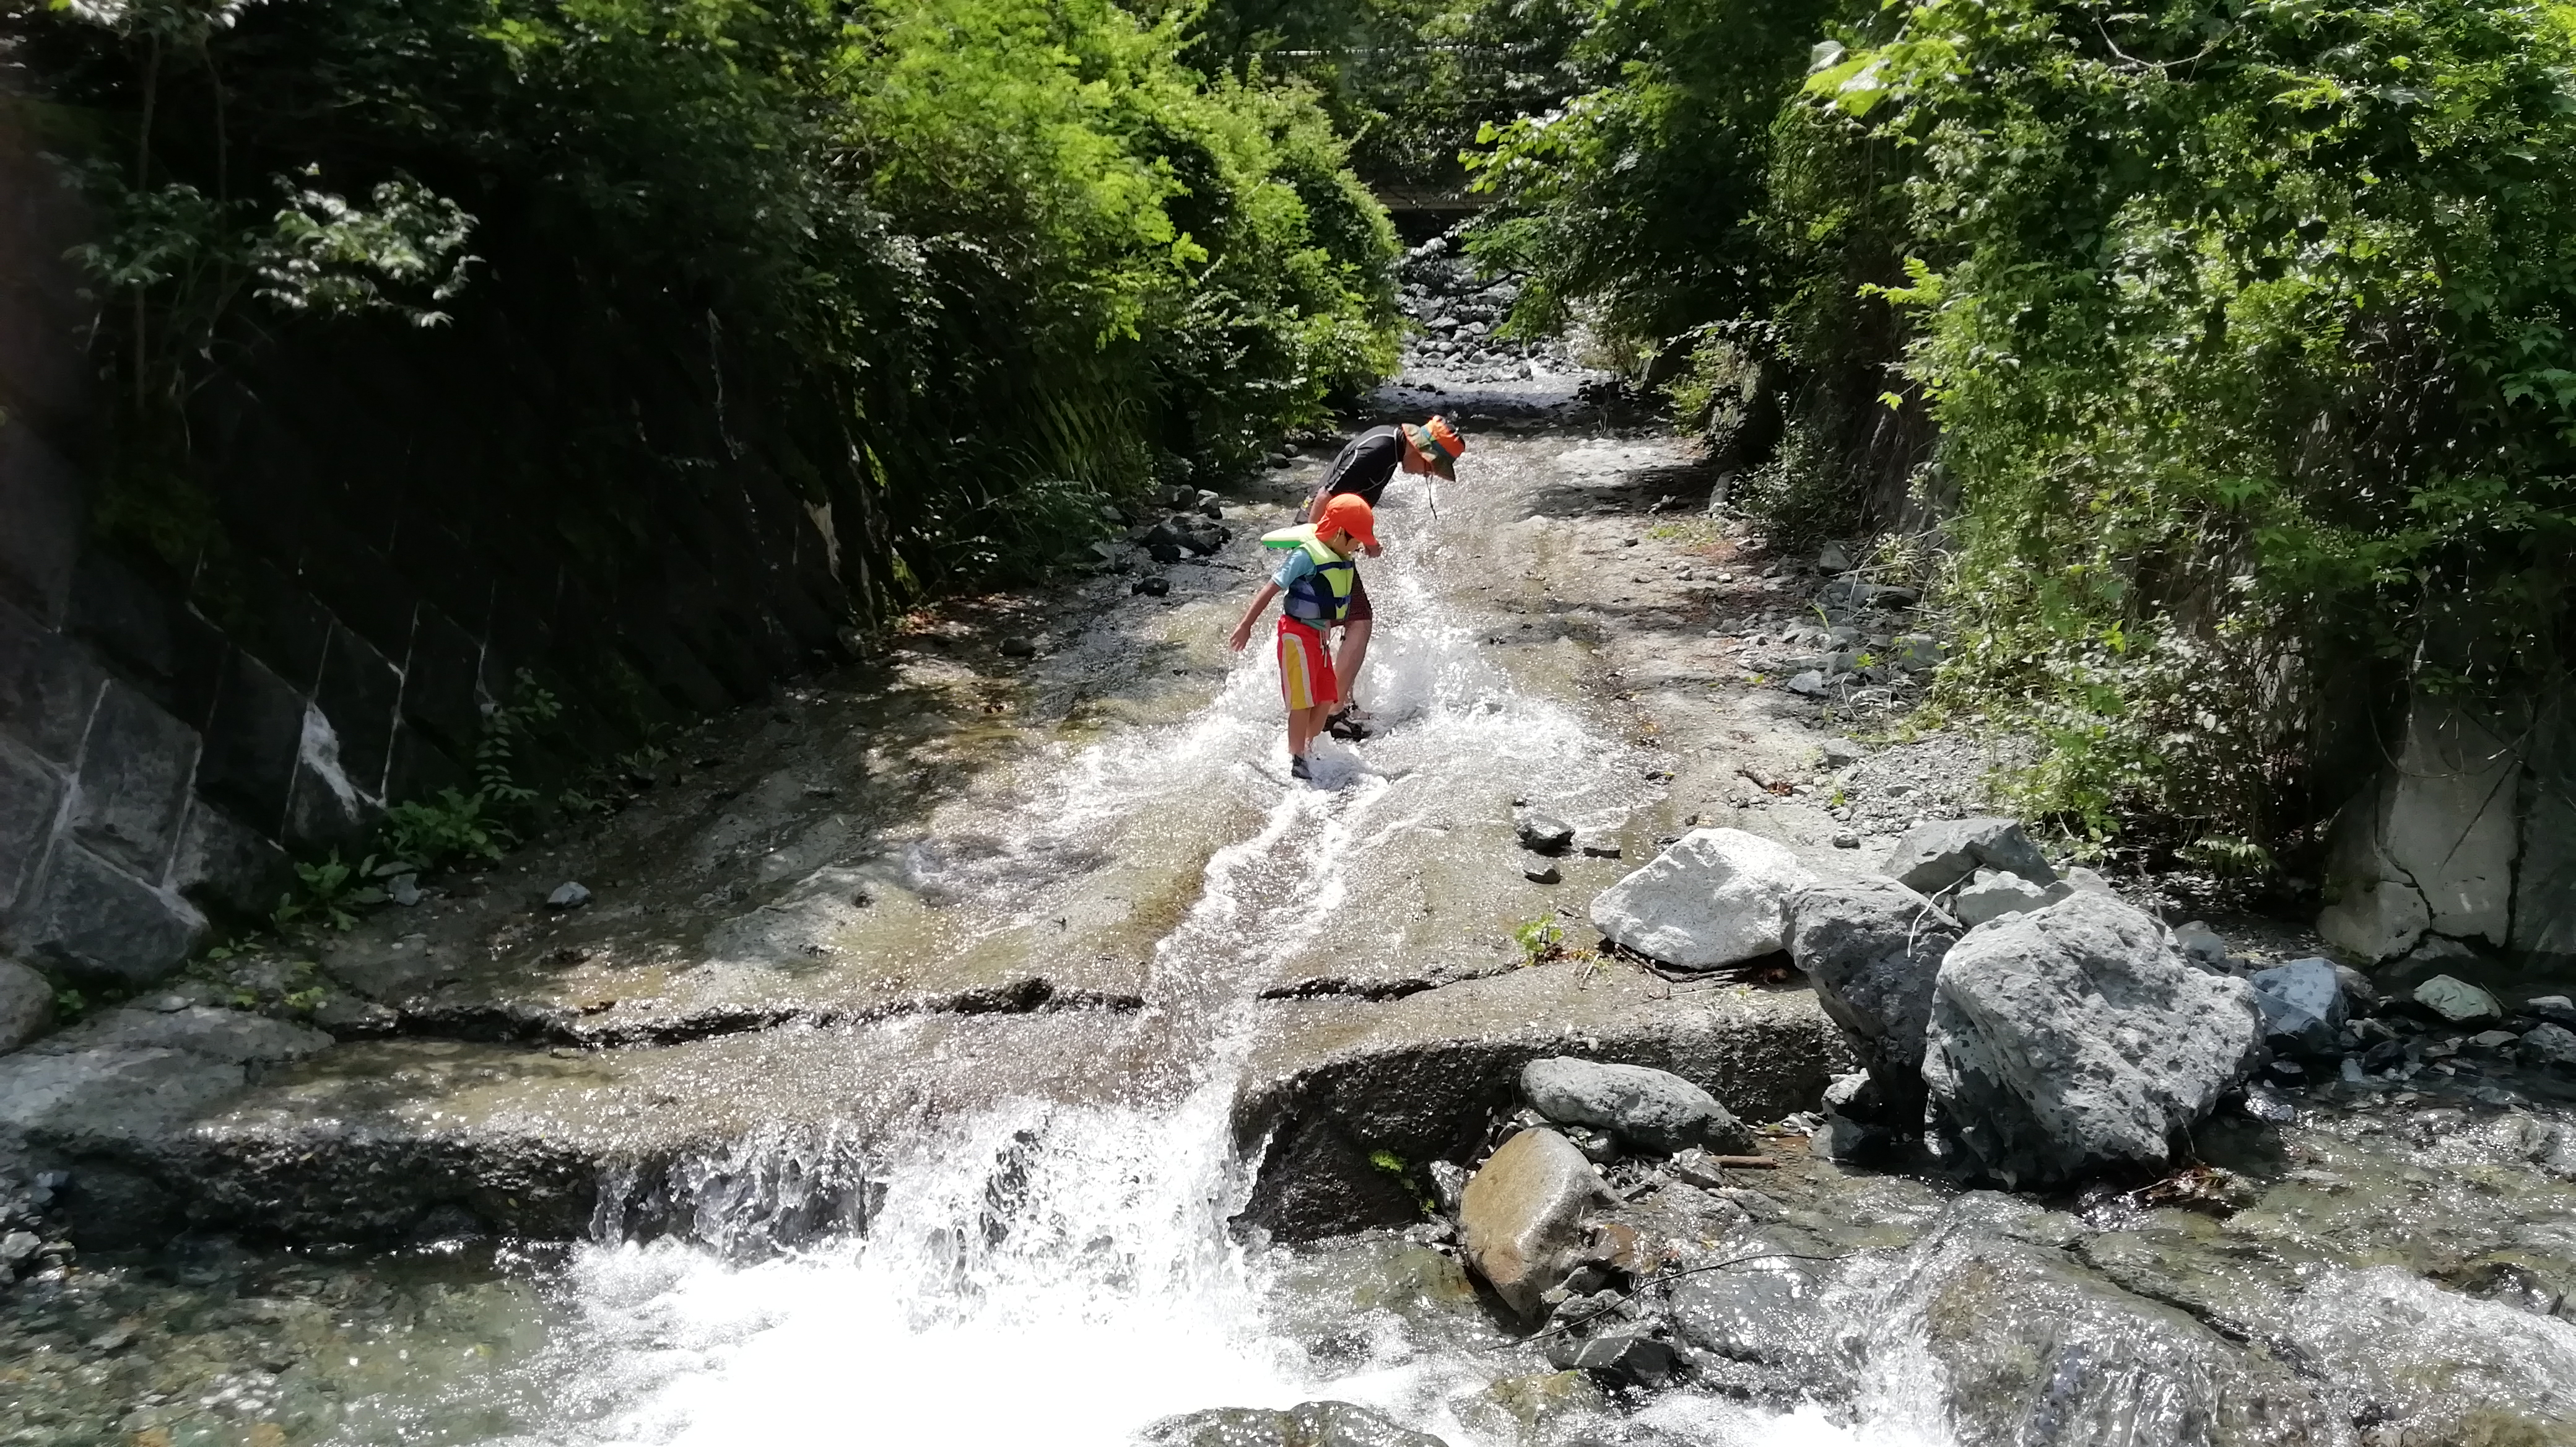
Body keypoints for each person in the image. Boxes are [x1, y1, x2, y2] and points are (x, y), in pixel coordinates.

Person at [1302, 416, 1463, 739]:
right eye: (1431, 467)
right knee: (1359, 621)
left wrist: (1362, 539)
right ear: (1421, 450)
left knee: (1331, 623)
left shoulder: (1388, 447)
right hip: (1321, 545)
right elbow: (1324, 496)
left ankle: (1332, 703)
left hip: (1332, 545)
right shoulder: (1379, 450)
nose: (1427, 474)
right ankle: (1330, 711)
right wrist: (1312, 556)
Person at [1228, 494, 1378, 782]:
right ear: (1338, 533)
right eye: (1356, 539)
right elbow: (1271, 589)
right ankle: (1296, 756)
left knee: (1326, 697)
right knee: (1303, 700)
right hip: (1296, 635)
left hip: (1319, 638)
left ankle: (1309, 748)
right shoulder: (1306, 556)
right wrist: (1246, 625)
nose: (1359, 546)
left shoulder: (1339, 555)